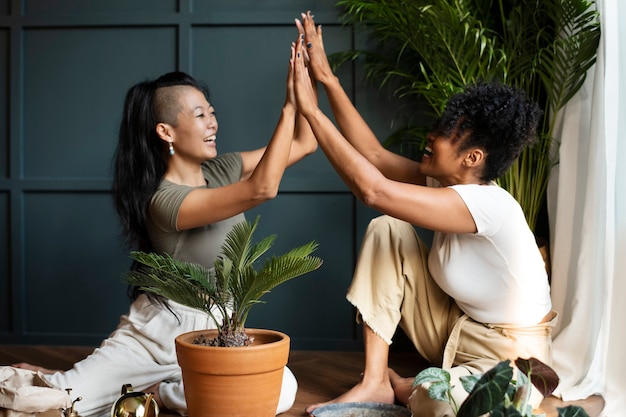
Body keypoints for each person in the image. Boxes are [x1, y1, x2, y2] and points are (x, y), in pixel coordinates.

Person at [10, 33, 317, 417]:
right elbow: (262, 189)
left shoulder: (222, 169)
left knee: (282, 387)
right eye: (200, 114)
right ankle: (77, 380)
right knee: (54, 403)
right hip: (158, 334)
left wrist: (308, 83)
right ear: (165, 131)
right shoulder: (163, 200)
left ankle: (160, 393)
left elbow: (305, 143)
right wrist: (288, 107)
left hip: (219, 332)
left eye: (212, 111)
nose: (213, 123)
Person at [292, 11, 556, 416]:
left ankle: (410, 386)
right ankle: (377, 381)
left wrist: (311, 112)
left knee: (439, 404)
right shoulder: (447, 184)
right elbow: (375, 157)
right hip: (454, 330)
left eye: (445, 134)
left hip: (513, 355)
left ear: (473, 157)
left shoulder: (489, 204)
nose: (431, 136)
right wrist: (326, 79)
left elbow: (373, 189)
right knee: (388, 230)